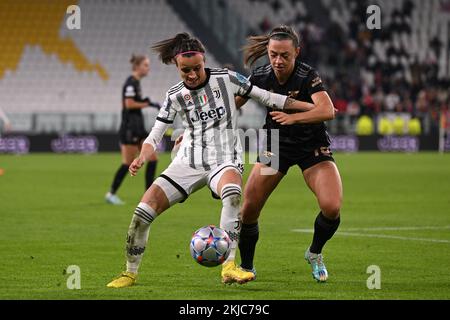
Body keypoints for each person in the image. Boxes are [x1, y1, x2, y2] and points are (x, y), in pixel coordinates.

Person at [106, 32, 314, 288]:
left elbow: (269, 98)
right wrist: (142, 156)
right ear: (176, 65)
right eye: (185, 71)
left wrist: (310, 108)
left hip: (224, 159)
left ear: (203, 61)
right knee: (142, 213)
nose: (192, 75)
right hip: (188, 161)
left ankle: (229, 266)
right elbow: (155, 135)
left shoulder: (227, 79)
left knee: (233, 193)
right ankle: (129, 273)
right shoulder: (174, 96)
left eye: (197, 68)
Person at [233, 25, 342, 283]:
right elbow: (232, 105)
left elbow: (328, 111)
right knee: (248, 210)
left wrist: (295, 119)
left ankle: (314, 253)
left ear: (297, 52)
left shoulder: (307, 76)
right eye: (273, 55)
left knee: (332, 207)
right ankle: (247, 266)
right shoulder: (260, 75)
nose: (278, 61)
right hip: (274, 145)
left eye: (285, 55)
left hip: (311, 144)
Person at [105, 54, 161, 205]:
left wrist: (147, 102)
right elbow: (129, 104)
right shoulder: (130, 83)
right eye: (146, 65)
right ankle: (111, 193)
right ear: (137, 66)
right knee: (127, 162)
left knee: (153, 158)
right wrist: (147, 104)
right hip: (129, 129)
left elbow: (135, 101)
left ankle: (148, 195)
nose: (148, 68)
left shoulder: (136, 83)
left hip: (138, 128)